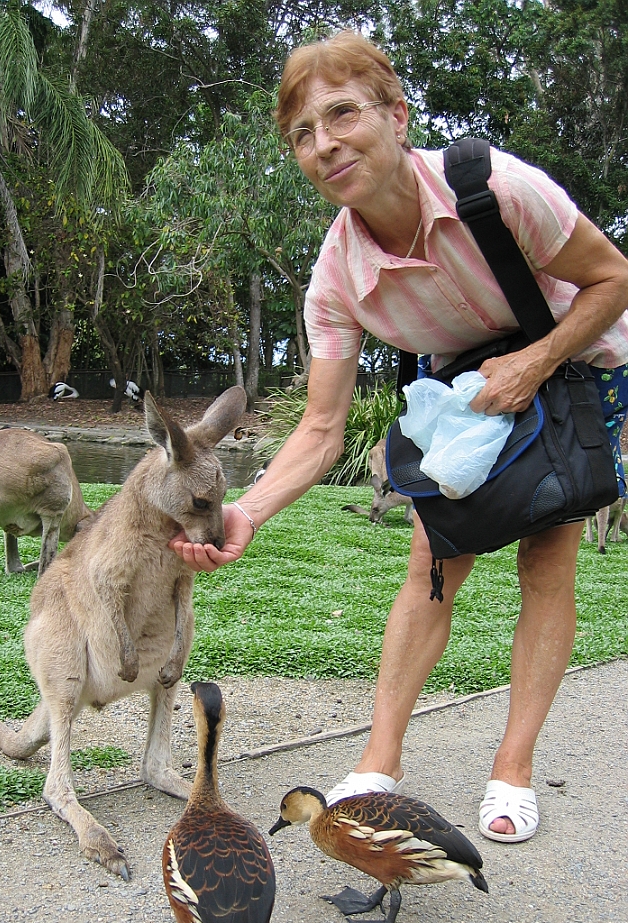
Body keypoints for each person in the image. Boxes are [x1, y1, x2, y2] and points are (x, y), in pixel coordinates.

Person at [170, 31, 628, 843]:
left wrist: (536, 361)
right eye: (302, 134)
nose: (323, 144)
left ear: (396, 116)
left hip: (574, 361)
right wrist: (247, 512)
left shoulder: (496, 189)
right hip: (465, 392)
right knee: (431, 564)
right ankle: (380, 760)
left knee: (546, 557)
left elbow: (614, 277)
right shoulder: (336, 279)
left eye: (342, 114)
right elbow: (321, 427)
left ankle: (514, 767)